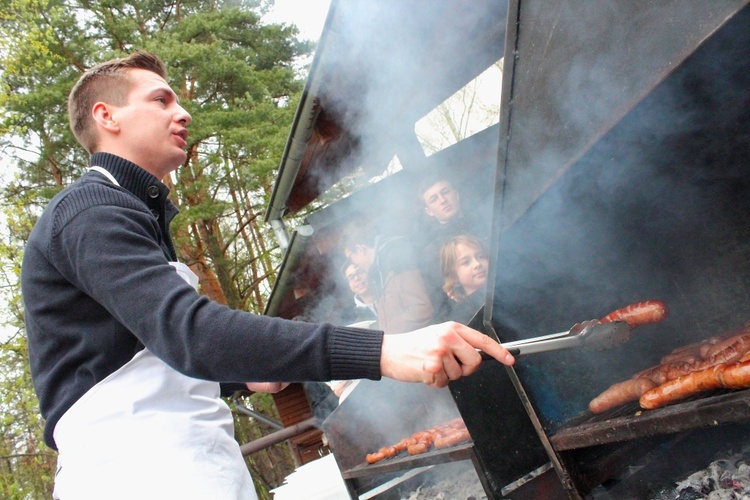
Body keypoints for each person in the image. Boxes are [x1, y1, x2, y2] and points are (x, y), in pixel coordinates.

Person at [20, 51, 515, 499]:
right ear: (106, 117)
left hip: (190, 463)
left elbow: (149, 350)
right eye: (161, 99)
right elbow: (190, 333)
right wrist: (383, 350)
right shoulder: (88, 210)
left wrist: (244, 371)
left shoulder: (135, 215)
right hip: (138, 474)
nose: (183, 112)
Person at [340, 220, 434, 334]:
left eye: (351, 258)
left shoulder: (395, 258)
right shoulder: (378, 270)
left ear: (360, 249)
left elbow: (421, 309)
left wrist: (384, 336)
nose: (353, 263)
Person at [439, 234, 491, 323]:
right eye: (466, 262)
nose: (477, 264)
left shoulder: (509, 293)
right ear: (453, 274)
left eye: (481, 256)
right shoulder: (460, 318)